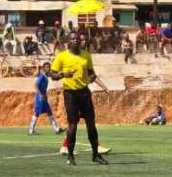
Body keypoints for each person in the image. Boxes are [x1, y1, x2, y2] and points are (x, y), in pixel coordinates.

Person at [48, 32, 111, 166]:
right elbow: (52, 74)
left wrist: (92, 79)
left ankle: (95, 155)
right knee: (72, 125)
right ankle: (70, 156)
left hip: (84, 93)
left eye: (77, 38)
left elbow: (91, 73)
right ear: (68, 42)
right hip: (70, 94)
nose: (75, 40)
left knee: (91, 124)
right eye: (73, 39)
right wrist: (62, 74)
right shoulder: (62, 56)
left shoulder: (86, 55)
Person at [29, 62, 65, 135]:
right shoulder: (42, 76)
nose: (48, 69)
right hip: (40, 98)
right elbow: (35, 85)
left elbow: (55, 76)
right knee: (36, 113)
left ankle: (57, 129)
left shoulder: (46, 76)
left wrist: (61, 74)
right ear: (43, 69)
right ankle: (31, 130)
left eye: (49, 67)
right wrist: (40, 95)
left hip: (44, 97)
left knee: (49, 113)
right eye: (46, 68)